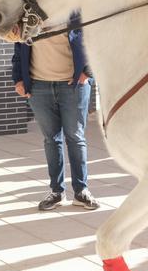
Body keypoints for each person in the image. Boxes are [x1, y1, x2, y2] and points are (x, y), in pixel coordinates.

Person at [11, 12, 101, 211]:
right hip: (39, 87)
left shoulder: (75, 12)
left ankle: (81, 191)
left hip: (74, 86)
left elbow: (96, 39)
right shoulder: (29, 15)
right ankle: (57, 192)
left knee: (75, 138)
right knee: (51, 139)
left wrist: (88, 73)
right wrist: (18, 79)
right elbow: (19, 48)